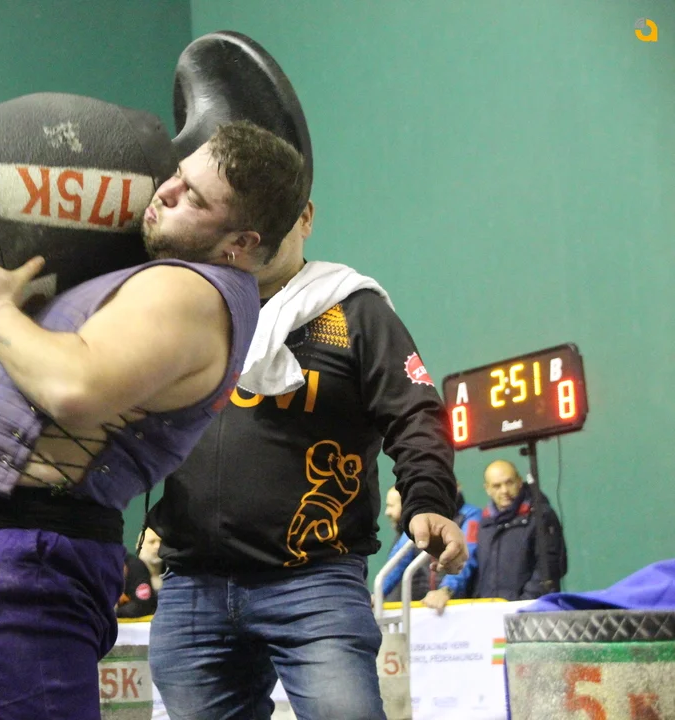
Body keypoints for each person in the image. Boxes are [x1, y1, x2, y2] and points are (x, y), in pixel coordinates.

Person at [0, 121, 309, 720]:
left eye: (193, 197)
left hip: (19, 558)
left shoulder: (195, 293)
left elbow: (74, 388)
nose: (165, 191)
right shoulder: (147, 275)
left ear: (240, 242)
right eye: (177, 177)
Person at [145, 195, 468, 720]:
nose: (254, 230)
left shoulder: (356, 311)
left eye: (270, 210)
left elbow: (415, 414)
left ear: (306, 216)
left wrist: (428, 499)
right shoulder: (197, 308)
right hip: (193, 588)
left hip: (314, 583)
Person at [380, 486, 482, 614]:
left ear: (457, 487)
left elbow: (466, 557)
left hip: (458, 606)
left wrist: (446, 590)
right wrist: (378, 594)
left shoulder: (470, 515)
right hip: (423, 605)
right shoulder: (420, 515)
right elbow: (399, 558)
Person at [475, 459, 567, 600]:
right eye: (497, 486)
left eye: (509, 483)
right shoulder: (484, 523)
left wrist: (523, 604)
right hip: (489, 610)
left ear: (519, 482)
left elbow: (549, 567)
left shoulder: (541, 516)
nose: (504, 491)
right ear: (487, 489)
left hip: (529, 610)